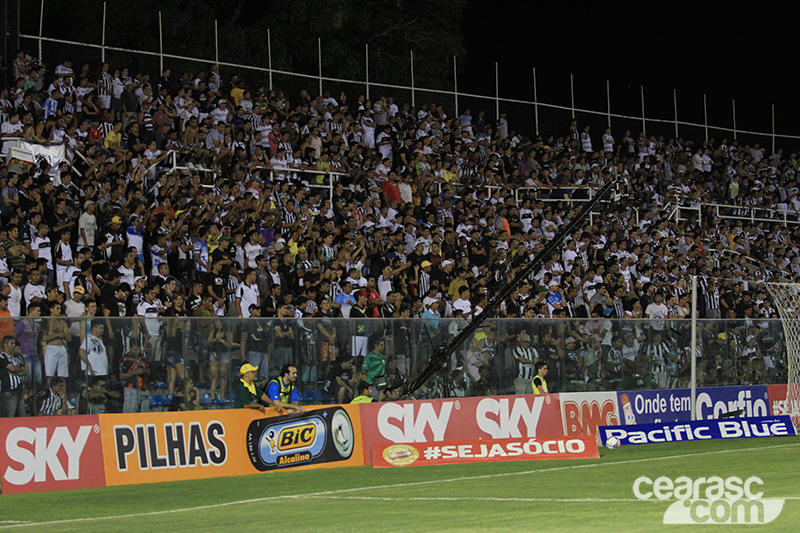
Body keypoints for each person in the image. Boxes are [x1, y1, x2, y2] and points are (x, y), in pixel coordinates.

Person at [0, 336, 28, 417]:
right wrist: (18, 370)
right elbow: (12, 368)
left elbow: (25, 370)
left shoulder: (16, 358)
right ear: (5, 344)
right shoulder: (2, 357)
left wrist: (21, 356)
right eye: (11, 343)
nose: (14, 345)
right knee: (9, 416)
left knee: (22, 417)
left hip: (19, 391)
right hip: (9, 391)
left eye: (14, 343)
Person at [119, 337, 150, 413]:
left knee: (145, 416)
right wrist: (136, 372)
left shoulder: (142, 358)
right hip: (131, 389)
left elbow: (149, 372)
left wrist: (146, 371)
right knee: (130, 414)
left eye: (138, 349)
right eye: (134, 350)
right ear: (130, 348)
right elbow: (121, 376)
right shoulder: (125, 359)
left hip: (144, 389)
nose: (137, 352)